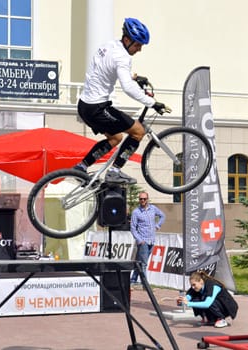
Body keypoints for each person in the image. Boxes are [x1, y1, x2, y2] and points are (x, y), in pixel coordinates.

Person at [73, 17, 171, 184]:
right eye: (138, 45)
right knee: (139, 131)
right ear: (127, 40)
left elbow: (105, 68)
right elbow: (127, 88)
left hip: (84, 105)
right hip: (97, 107)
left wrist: (133, 77)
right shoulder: (123, 58)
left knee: (115, 138)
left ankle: (81, 167)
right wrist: (152, 103)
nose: (139, 49)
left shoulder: (108, 46)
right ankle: (114, 171)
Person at [130, 191, 165, 283]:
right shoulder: (136, 212)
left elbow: (162, 216)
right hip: (143, 241)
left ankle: (133, 278)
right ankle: (145, 283)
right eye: (141, 199)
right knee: (143, 263)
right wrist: (139, 240)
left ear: (147, 199)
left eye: (144, 199)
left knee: (140, 261)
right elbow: (133, 228)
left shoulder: (153, 208)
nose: (142, 200)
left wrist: (158, 225)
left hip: (152, 240)